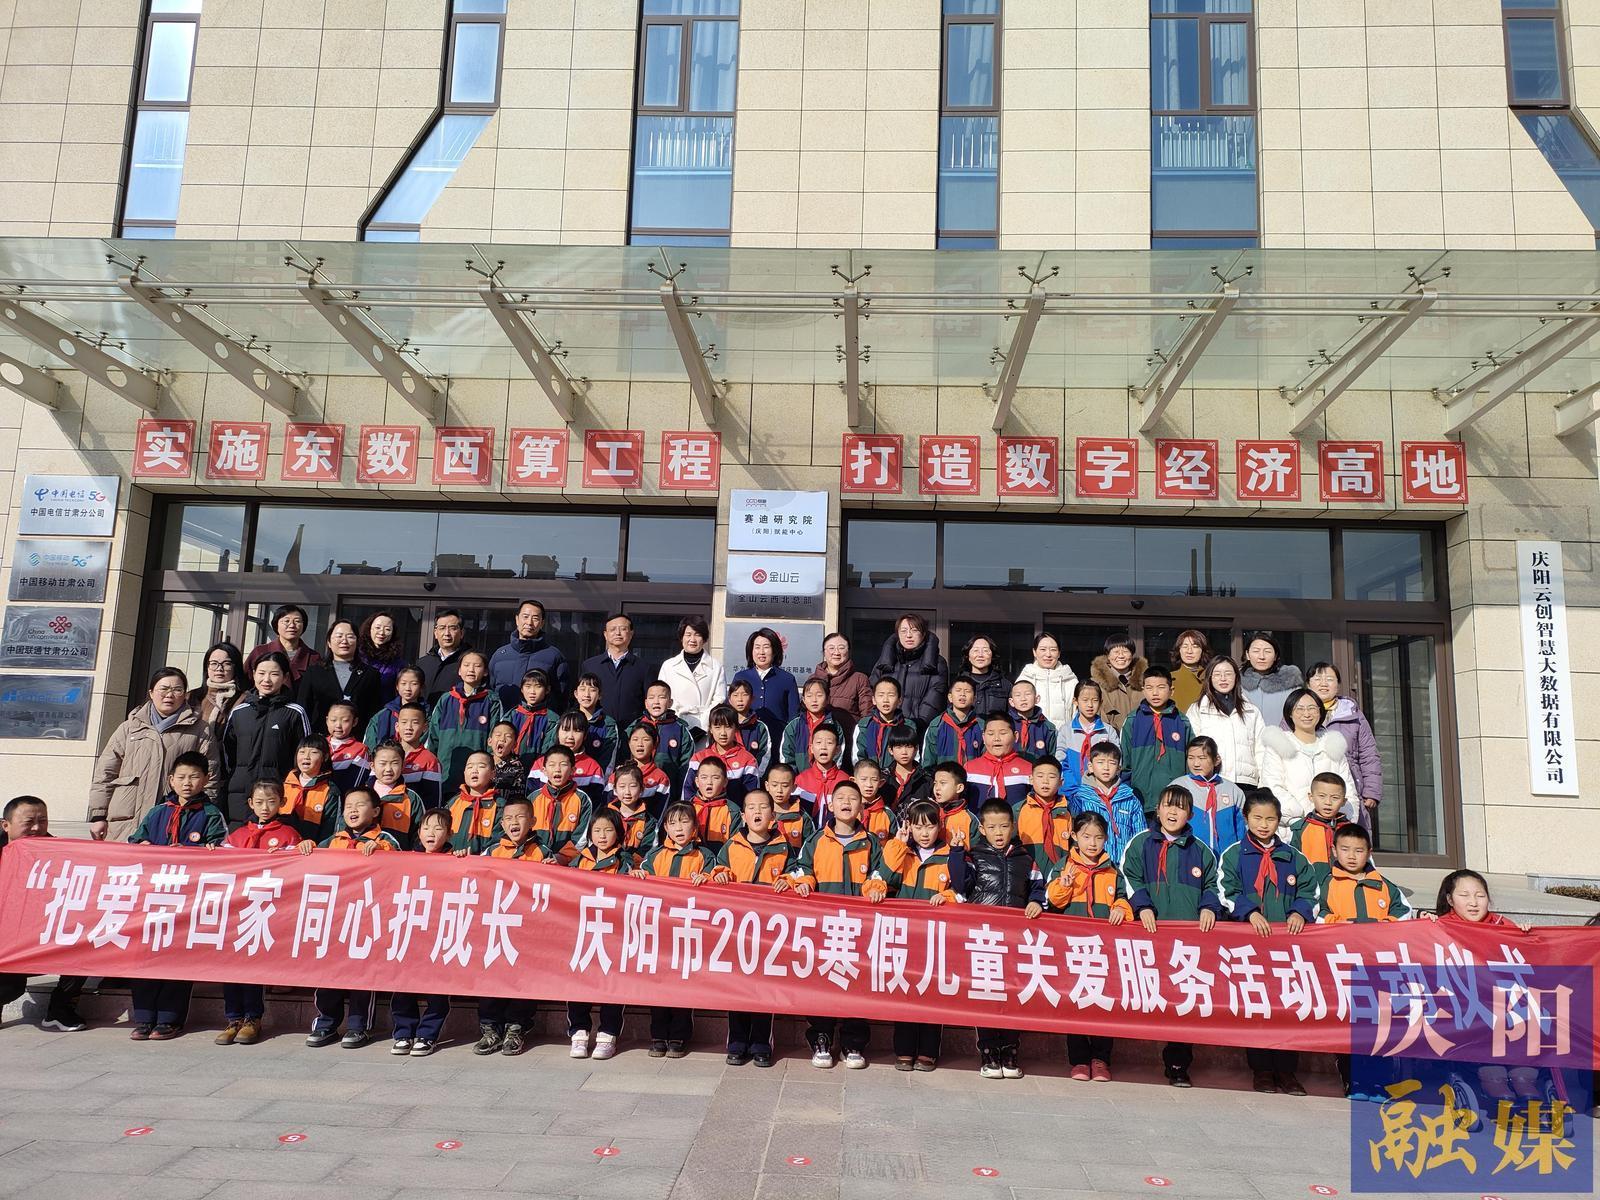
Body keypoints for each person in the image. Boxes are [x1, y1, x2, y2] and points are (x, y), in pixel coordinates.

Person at [775, 780, 886, 1069]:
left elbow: (878, 874)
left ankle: (853, 1042)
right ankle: (821, 1037)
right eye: (841, 798)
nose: (846, 802)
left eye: (853, 798)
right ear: (831, 805)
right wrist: (804, 882)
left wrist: (875, 888)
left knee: (857, 983)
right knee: (822, 982)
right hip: (824, 927)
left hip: (859, 928)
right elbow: (803, 869)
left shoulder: (871, 842)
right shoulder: (816, 840)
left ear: (861, 807)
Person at [1122, 785, 1220, 1087]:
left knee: (1183, 1001)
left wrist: (1208, 907)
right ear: (1158, 809)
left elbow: (1214, 885)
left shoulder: (1200, 850)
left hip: (1188, 941)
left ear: (1190, 814)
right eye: (1168, 805)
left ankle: (1178, 1064)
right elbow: (1129, 876)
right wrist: (1143, 906)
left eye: (1180, 807)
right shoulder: (1140, 843)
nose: (1173, 812)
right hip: (1149, 935)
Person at [1219, 790, 1316, 1095]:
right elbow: (1226, 891)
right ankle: (1261, 1070)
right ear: (1246, 818)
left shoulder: (1293, 857)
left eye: (1270, 819)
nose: (1264, 825)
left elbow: (1310, 891)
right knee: (1258, 1008)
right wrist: (1249, 912)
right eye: (1257, 818)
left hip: (1287, 949)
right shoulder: (1234, 854)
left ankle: (1287, 1071)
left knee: (1288, 1008)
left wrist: (1300, 912)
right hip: (1251, 947)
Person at [127, 752, 227, 1041]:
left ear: (205, 780)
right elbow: (135, 842)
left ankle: (169, 1019)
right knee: (145, 955)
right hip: (153, 897)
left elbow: (223, 852)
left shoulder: (211, 814)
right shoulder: (157, 812)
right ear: (171, 780)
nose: (187, 783)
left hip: (187, 900)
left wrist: (204, 852)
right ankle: (143, 1018)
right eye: (181, 777)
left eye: (194, 777)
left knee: (178, 957)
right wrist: (143, 845)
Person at [1316, 822, 1410, 1102]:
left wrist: (1381, 926)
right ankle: (1353, 1080)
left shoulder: (1384, 885)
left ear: (1369, 852)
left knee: (1380, 1025)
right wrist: (1342, 924)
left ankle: (1379, 1082)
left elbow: (1404, 914)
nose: (1352, 856)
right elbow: (1317, 914)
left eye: (1359, 850)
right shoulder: (1326, 884)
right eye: (1345, 849)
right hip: (1342, 967)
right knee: (1349, 1026)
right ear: (1334, 850)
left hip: (1378, 968)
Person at [952, 798, 1043, 1080]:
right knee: (987, 994)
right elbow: (960, 885)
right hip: (985, 938)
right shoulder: (974, 855)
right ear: (982, 829)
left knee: (1013, 993)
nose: (998, 832)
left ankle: (1010, 1049)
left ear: (1012, 826)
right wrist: (956, 852)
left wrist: (1036, 901)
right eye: (992, 827)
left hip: (1015, 938)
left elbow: (1038, 886)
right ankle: (989, 1050)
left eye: (1004, 826)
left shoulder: (1025, 858)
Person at [301, 789, 398, 1051]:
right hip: (335, 918)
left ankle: (358, 1026)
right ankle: (326, 1023)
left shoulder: (385, 840)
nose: (353, 810)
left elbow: (399, 864)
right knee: (328, 971)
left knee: (362, 973)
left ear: (375, 811)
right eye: (348, 806)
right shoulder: (334, 840)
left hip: (367, 917)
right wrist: (306, 847)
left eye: (360, 805)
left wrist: (381, 850)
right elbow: (310, 861)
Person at [1045, 810, 1133, 1080]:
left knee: (1104, 1004)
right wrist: (1064, 885)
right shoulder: (1063, 866)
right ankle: (1080, 1060)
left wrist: (1120, 908)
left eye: (1098, 837)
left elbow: (1125, 897)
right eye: (1086, 837)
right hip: (1073, 948)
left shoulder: (1113, 869)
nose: (1092, 843)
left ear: (1106, 839)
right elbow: (1051, 902)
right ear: (1074, 836)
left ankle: (1101, 1059)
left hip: (1104, 950)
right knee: (1076, 1003)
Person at [90, 666, 222, 841]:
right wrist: (98, 815)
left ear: (185, 695)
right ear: (151, 693)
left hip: (177, 821)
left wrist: (203, 816)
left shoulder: (200, 730)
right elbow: (105, 773)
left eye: (177, 690)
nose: (169, 695)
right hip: (126, 821)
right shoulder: (129, 728)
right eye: (164, 689)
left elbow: (210, 777)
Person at [874, 798, 958, 1070]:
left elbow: (964, 890)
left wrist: (947, 897)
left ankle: (928, 1051)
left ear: (939, 827)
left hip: (935, 938)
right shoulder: (902, 851)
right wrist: (897, 846)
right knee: (905, 991)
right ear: (908, 826)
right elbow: (881, 880)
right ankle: (904, 1050)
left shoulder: (950, 854)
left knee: (932, 993)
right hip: (905, 936)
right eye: (918, 827)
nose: (924, 833)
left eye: (930, 827)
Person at [216, 779, 301, 1046]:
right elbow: (221, 866)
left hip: (265, 910)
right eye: (260, 802)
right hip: (236, 909)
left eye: (272, 802)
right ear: (250, 803)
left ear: (282, 803)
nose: (265, 807)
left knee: (253, 963)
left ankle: (253, 1018)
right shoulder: (238, 835)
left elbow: (295, 870)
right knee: (230, 963)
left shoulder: (288, 835)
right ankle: (233, 1018)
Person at [710, 789, 790, 1067]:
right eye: (751, 807)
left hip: (769, 932)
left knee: (764, 987)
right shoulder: (731, 846)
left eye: (763, 807)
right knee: (738, 987)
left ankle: (761, 1044)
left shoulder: (784, 847)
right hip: (738, 929)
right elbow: (717, 870)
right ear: (743, 815)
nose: (757, 812)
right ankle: (737, 1041)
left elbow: (799, 873)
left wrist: (790, 880)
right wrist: (721, 874)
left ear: (772, 815)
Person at [632, 800, 717, 1057]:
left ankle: (679, 1035)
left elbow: (716, 884)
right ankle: (658, 1034)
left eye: (684, 822)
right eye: (672, 823)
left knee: (683, 983)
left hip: (689, 932)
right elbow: (641, 879)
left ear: (695, 827)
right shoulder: (655, 855)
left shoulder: (705, 856)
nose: (678, 828)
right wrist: (637, 876)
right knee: (658, 983)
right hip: (660, 931)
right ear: (665, 829)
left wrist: (707, 880)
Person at [0, 797, 89, 1032]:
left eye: (43, 821)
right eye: (29, 822)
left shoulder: (58, 852)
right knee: (10, 988)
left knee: (86, 945)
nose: (37, 828)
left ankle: (60, 1010)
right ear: (6, 825)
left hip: (43, 933)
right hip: (6, 939)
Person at [567, 808, 633, 1061]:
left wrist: (638, 877)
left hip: (614, 934)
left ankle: (608, 1034)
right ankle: (579, 1032)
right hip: (583, 932)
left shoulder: (626, 862)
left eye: (608, 830)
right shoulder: (579, 860)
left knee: (612, 983)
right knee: (578, 981)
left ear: (619, 833)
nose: (602, 836)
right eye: (597, 830)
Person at [390, 809, 457, 1058]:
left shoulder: (458, 860)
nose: (431, 833)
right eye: (426, 828)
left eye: (438, 828)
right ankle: (403, 1032)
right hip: (411, 930)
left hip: (441, 932)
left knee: (438, 986)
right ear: (418, 833)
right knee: (402, 983)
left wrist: (462, 860)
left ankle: (427, 1035)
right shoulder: (407, 860)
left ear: (450, 833)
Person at [220, 653, 311, 827]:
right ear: (254, 674)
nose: (266, 679)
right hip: (240, 793)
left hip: (278, 793)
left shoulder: (294, 713)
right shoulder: (239, 712)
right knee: (238, 838)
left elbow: (305, 755)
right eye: (261, 673)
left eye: (274, 674)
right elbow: (227, 754)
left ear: (285, 677)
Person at [1261, 687, 1359, 831]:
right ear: (1290, 713)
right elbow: (1272, 787)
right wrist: (1300, 821)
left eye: (1312, 708)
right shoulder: (1278, 746)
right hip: (1292, 830)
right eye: (1299, 709)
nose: (1306, 714)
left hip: (1333, 830)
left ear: (1320, 712)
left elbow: (1348, 790)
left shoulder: (1334, 746)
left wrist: (1344, 822)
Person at [1305, 662, 1383, 825]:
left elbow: (1369, 754)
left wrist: (1371, 791)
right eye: (1317, 679)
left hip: (1348, 788)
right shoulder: (1297, 711)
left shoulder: (1352, 714)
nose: (1323, 684)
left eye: (1329, 679)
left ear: (1338, 685)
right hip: (1308, 788)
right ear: (1308, 684)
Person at [1184, 655, 1266, 787]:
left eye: (1228, 674)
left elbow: (1261, 750)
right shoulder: (1198, 710)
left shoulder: (1251, 711)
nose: (1223, 678)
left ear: (1236, 677)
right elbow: (1192, 749)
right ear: (1210, 678)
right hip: (1211, 781)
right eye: (1217, 674)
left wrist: (1263, 784)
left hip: (1246, 783)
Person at [430, 649, 504, 795]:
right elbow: (433, 737)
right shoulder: (446, 699)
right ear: (459, 670)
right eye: (466, 665)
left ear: (485, 672)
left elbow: (496, 739)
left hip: (477, 776)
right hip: (446, 770)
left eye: (477, 666)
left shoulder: (492, 701)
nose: (471, 669)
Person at [1123, 666, 1193, 817]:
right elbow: (1125, 763)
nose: (1155, 693)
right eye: (1149, 688)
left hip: (1174, 802)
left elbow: (1190, 762)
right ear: (1143, 690)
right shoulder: (1133, 720)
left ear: (1171, 690)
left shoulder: (1182, 722)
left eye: (1161, 687)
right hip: (1141, 800)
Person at [297, 618, 385, 733]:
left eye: (350, 637)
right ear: (329, 642)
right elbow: (303, 708)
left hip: (357, 738)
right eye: (339, 636)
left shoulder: (370, 674)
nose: (344, 641)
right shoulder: (314, 672)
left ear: (357, 642)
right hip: (320, 736)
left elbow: (374, 711)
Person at [1067, 741, 1144, 867]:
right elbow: (1073, 833)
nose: (1106, 767)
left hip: (1124, 865)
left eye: (1112, 763)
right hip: (1091, 865)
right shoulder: (1080, 799)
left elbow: (1140, 835)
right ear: (1090, 767)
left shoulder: (1130, 799)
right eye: (1100, 762)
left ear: (1119, 768)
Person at [488, 600, 570, 710]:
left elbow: (562, 697)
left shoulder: (554, 656)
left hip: (540, 719)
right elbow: (490, 691)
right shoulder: (500, 655)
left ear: (542, 623)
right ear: (517, 619)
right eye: (525, 617)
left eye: (535, 618)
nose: (529, 622)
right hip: (503, 719)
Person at [870, 613, 948, 726]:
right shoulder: (886, 660)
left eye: (914, 630)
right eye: (903, 631)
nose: (908, 635)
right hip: (885, 726)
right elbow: (873, 690)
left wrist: (916, 725)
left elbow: (935, 698)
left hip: (919, 728)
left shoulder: (936, 662)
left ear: (923, 634)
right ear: (897, 634)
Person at [1173, 737, 1247, 855]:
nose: (1196, 764)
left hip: (1226, 860)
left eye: (1202, 758)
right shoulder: (1178, 787)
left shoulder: (1233, 791)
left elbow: (1242, 829)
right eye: (1191, 758)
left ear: (1216, 760)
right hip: (1189, 856)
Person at [580, 612, 653, 729]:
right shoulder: (590, 665)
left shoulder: (643, 667)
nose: (618, 633)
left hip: (632, 731)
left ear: (631, 634)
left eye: (623, 629)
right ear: (605, 634)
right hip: (597, 730)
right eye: (613, 629)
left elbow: (649, 702)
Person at [731, 627, 800, 746]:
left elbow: (793, 716)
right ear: (751, 651)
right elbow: (730, 710)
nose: (761, 652)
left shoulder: (787, 679)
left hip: (777, 740)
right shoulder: (740, 677)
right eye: (757, 647)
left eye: (766, 647)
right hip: (744, 739)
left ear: (774, 650)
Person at [657, 616, 726, 735]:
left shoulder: (716, 667)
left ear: (704, 639)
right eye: (688, 634)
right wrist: (673, 720)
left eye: (697, 635)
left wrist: (704, 725)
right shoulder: (668, 666)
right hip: (673, 725)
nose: (692, 639)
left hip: (704, 727)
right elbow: (661, 697)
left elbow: (720, 700)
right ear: (681, 637)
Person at [684, 704, 760, 807]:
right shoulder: (698, 758)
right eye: (717, 727)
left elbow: (752, 796)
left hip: (735, 815)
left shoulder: (748, 760)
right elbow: (688, 791)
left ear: (736, 729)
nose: (723, 733)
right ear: (710, 729)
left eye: (728, 727)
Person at [632, 679, 699, 796]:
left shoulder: (680, 730)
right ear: (646, 703)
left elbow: (686, 767)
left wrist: (681, 797)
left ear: (670, 702)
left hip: (669, 792)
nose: (656, 702)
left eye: (662, 697)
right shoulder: (634, 727)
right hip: (636, 792)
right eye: (652, 698)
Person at [529, 742, 594, 861]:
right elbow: (525, 831)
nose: (557, 769)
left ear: (572, 770)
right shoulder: (533, 798)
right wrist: (536, 854)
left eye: (563, 765)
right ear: (544, 770)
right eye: (552, 765)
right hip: (535, 859)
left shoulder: (582, 799)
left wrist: (561, 857)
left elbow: (581, 837)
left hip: (566, 863)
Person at [1288, 772, 1353, 891]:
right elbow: (1291, 863)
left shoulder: (1351, 830)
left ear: (1344, 801)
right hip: (1311, 890)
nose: (1328, 802)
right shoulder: (1300, 829)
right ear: (1311, 797)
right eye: (1322, 796)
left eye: (1335, 798)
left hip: (1345, 890)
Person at [1012, 757, 1072, 875]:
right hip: (1027, 874)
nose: (1045, 781)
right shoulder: (1018, 810)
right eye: (1040, 776)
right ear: (1031, 779)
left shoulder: (1069, 811)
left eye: (1052, 777)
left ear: (1061, 782)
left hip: (1061, 875)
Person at [1059, 680, 1118, 795]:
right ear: (1075, 701)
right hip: (1071, 792)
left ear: (1101, 702)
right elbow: (1060, 761)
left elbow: (1116, 761)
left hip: (1100, 793)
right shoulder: (1066, 730)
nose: (1090, 705)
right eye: (1085, 700)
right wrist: (1071, 788)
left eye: (1095, 700)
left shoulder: (1108, 731)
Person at [368, 739, 427, 850]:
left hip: (398, 858)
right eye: (382, 763)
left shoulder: (411, 799)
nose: (388, 769)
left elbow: (419, 838)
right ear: (372, 766)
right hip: (363, 857)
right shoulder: (360, 796)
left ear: (403, 765)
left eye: (395, 763)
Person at [965, 712, 1033, 808]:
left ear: (1015, 736)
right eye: (991, 734)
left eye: (1003, 733)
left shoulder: (1028, 768)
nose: (996, 738)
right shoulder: (969, 768)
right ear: (983, 737)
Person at [279, 736, 341, 842]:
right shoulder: (284, 786)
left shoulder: (330, 791)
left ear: (325, 757)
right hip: (283, 845)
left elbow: (330, 831)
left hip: (313, 848)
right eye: (302, 752)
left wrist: (317, 848)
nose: (306, 757)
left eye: (313, 752)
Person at [780, 677, 847, 773]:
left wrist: (826, 775)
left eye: (819, 695)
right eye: (809, 696)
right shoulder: (794, 726)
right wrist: (794, 777)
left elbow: (838, 754)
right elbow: (786, 755)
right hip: (798, 779)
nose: (814, 700)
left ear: (827, 699)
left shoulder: (835, 726)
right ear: (803, 699)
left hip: (827, 778)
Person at [1015, 632, 1078, 731]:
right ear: (1034, 652)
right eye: (1043, 649)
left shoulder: (1070, 680)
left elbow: (1076, 714)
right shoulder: (1024, 680)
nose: (1048, 654)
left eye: (1053, 650)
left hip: (1063, 737)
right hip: (1032, 736)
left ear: (1059, 653)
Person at [1240, 631, 1303, 728]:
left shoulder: (1290, 681)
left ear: (1276, 656)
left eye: (1267, 651)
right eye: (1256, 651)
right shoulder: (1237, 682)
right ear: (1247, 655)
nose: (1261, 657)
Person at [245, 603, 321, 683]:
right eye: (286, 621)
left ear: (304, 626)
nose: (292, 625)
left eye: (297, 621)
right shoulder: (260, 651)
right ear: (276, 624)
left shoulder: (313, 657)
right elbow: (245, 681)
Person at [448, 750, 505, 855]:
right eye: (470, 767)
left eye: (481, 766)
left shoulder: (499, 806)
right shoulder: (453, 803)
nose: (474, 770)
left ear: (493, 773)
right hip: (452, 859)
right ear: (464, 773)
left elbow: (499, 842)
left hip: (482, 862)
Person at [1089, 633, 1147, 733]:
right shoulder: (1096, 685)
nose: (1121, 656)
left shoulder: (1145, 683)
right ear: (1108, 655)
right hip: (1109, 740)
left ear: (1132, 654)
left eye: (1125, 651)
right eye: (1116, 652)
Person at [920, 673, 981, 768]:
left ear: (974, 699)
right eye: (958, 690)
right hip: (944, 776)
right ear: (950, 697)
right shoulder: (936, 725)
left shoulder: (981, 726)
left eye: (967, 691)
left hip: (974, 776)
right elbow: (928, 762)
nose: (962, 694)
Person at [813, 632, 872, 724]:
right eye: (831, 648)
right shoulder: (813, 679)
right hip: (818, 732)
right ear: (824, 652)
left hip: (849, 732)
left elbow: (867, 715)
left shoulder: (860, 679)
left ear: (848, 651)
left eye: (841, 648)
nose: (836, 652)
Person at [792, 725, 850, 820]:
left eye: (829, 743)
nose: (823, 747)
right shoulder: (800, 780)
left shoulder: (845, 781)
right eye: (819, 742)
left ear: (837, 749)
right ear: (811, 748)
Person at [189, 641, 246, 736]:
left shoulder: (245, 700)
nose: (219, 668)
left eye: (226, 663)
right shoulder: (191, 697)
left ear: (236, 667)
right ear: (207, 667)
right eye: (214, 663)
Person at [363, 665, 426, 750]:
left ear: (421, 687)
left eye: (414, 684)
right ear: (397, 686)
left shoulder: (428, 715)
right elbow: (370, 745)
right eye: (403, 683)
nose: (408, 688)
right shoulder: (384, 714)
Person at [393, 702, 441, 810]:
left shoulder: (430, 760)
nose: (409, 727)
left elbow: (433, 801)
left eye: (415, 723)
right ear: (397, 726)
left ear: (425, 727)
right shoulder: (386, 754)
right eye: (404, 722)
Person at [417, 609, 469, 707]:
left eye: (452, 628)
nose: (447, 633)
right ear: (435, 633)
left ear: (461, 633)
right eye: (442, 628)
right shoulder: (422, 663)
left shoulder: (469, 663)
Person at [569, 672, 619, 772]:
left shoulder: (608, 724)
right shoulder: (567, 720)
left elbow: (608, 761)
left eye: (592, 690)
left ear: (599, 695)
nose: (587, 695)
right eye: (582, 689)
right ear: (576, 694)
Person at [507, 668, 557, 766]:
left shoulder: (553, 720)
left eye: (538, 687)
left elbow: (549, 749)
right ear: (522, 689)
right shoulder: (511, 715)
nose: (532, 692)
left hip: (538, 769)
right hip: (510, 768)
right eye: (528, 686)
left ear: (547, 689)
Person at [854, 677, 906, 769]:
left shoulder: (907, 726)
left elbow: (913, 757)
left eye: (891, 695)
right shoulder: (864, 726)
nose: (886, 700)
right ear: (874, 700)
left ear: (899, 700)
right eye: (881, 695)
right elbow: (857, 758)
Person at [956, 634, 1011, 719]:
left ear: (992, 655)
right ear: (968, 656)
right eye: (976, 650)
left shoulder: (1005, 685)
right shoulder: (959, 684)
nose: (980, 655)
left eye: (985, 651)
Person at [607, 763, 659, 851]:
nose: (627, 792)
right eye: (622, 786)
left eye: (633, 786)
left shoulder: (649, 822)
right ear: (615, 789)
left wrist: (627, 859)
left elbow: (648, 851)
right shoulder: (606, 816)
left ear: (641, 788)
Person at [765, 763, 816, 851]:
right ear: (767, 786)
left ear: (794, 787)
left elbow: (809, 851)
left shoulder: (802, 818)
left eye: (785, 786)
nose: (779, 790)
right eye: (774, 785)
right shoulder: (760, 814)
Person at [726, 680, 772, 777]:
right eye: (735, 695)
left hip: (752, 777)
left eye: (744, 695)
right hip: (726, 777)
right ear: (729, 699)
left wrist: (753, 776)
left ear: (752, 699)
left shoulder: (760, 727)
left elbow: (765, 755)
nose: (740, 699)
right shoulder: (723, 725)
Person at [324, 702, 369, 798]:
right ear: (327, 720)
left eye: (345, 721)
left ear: (354, 722)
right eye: (333, 720)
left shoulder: (360, 749)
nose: (338, 725)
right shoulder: (319, 745)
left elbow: (355, 783)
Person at [1008, 679, 1057, 762]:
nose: (1023, 699)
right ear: (1011, 702)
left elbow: (1052, 758)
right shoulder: (1005, 724)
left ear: (1037, 699)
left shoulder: (1048, 728)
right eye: (1018, 695)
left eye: (1027, 694)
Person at [357, 610, 406, 691]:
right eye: (377, 627)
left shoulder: (397, 663)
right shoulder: (357, 656)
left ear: (393, 633)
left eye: (387, 629)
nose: (382, 632)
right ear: (369, 629)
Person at [1168, 629, 1212, 713]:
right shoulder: (1169, 678)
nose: (1189, 651)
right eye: (1185, 646)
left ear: (1202, 650)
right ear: (1179, 650)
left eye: (1195, 646)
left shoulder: (1211, 678)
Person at [487, 720, 528, 804]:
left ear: (514, 745)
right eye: (498, 735)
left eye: (508, 736)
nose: (502, 739)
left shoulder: (518, 767)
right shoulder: (483, 761)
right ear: (490, 741)